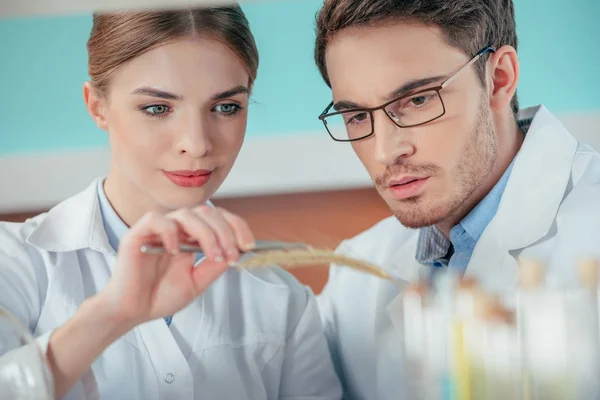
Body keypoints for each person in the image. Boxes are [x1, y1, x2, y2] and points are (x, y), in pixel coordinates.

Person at [0, 5, 342, 400]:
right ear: (98, 107)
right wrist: (112, 313)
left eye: (226, 107)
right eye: (157, 108)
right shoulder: (14, 261)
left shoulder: (284, 302)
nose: (196, 144)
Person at [312, 0, 600, 398]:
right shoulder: (358, 275)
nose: (384, 152)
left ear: (499, 78)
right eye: (358, 116)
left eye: (417, 100)